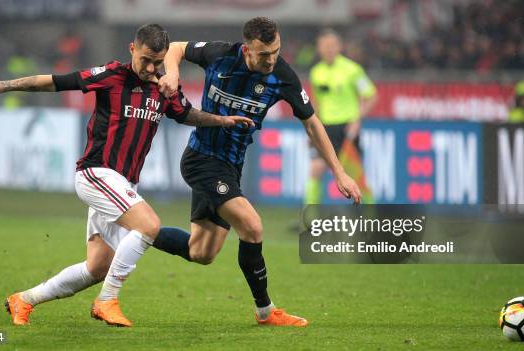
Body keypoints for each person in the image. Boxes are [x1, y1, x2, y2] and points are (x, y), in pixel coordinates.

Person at [0, 24, 253, 327]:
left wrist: (221, 120)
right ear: (133, 49)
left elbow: (185, 114)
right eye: (146, 59)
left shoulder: (163, 86)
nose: (152, 67)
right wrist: (3, 85)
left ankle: (23, 300)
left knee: (98, 266)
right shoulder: (111, 75)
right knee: (149, 225)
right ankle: (106, 301)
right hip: (97, 173)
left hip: (121, 184)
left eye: (158, 61)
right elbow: (54, 82)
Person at [154, 17, 362, 327]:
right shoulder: (220, 55)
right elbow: (175, 48)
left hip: (230, 168)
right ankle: (265, 310)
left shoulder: (282, 75)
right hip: (201, 159)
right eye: (264, 54)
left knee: (201, 252)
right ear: (247, 49)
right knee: (252, 226)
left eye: (276, 51)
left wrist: (339, 172)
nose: (271, 59)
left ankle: (139, 230)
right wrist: (171, 73)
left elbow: (311, 123)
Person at [305, 29, 377, 205]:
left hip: (347, 129)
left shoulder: (352, 70)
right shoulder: (316, 72)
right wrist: (312, 130)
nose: (328, 49)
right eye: (324, 46)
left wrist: (357, 120)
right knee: (315, 170)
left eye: (332, 45)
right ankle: (309, 219)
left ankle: (372, 215)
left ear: (339, 47)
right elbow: (316, 103)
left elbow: (371, 96)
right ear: (319, 48)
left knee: (355, 177)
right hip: (325, 129)